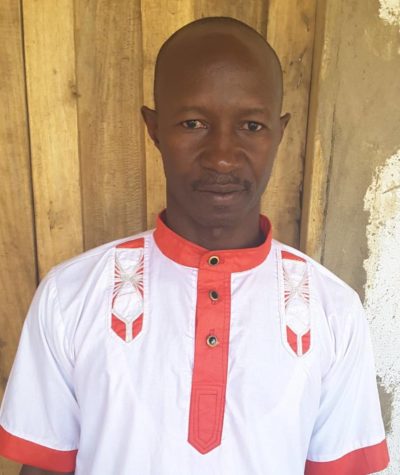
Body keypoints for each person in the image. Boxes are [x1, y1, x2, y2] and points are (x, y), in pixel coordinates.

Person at [0, 16, 389, 475]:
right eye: (193, 123)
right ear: (154, 128)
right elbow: (44, 466)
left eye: (251, 125)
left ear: (280, 132)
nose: (222, 156)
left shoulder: (334, 311)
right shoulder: (70, 296)